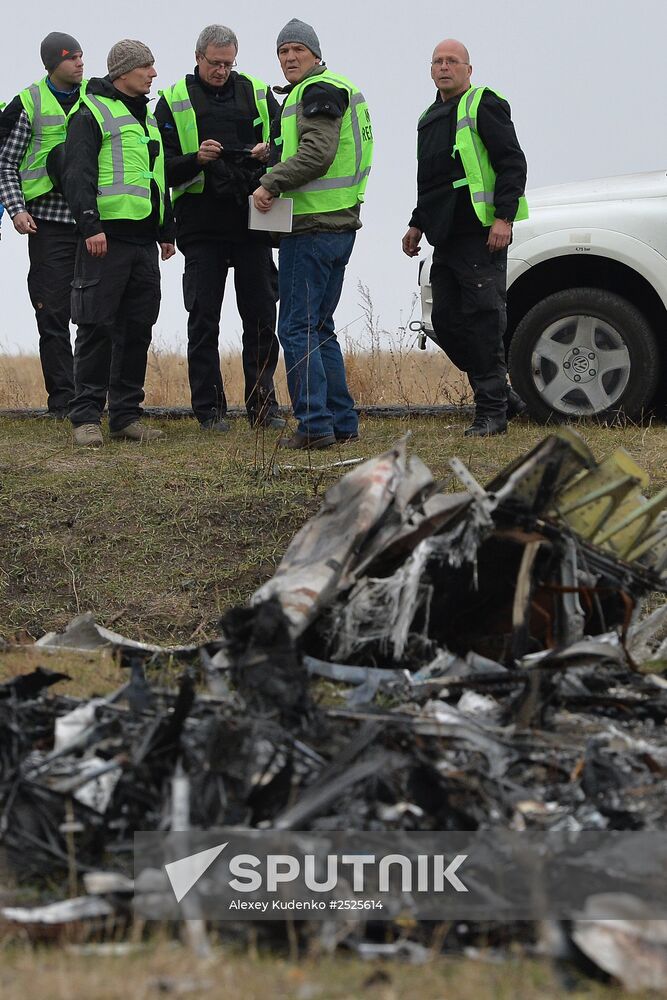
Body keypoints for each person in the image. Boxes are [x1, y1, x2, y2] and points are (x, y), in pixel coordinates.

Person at [156, 24, 284, 433]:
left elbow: (288, 145)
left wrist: (269, 152)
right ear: (198, 58)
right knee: (204, 318)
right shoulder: (173, 100)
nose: (223, 71)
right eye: (215, 63)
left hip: (254, 221)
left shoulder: (259, 93)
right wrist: (197, 159)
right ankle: (210, 412)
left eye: (229, 63)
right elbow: (160, 168)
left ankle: (264, 408)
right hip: (201, 224)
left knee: (262, 317)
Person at [252, 19, 373, 450]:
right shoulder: (335, 88)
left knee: (298, 327)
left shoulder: (316, 90)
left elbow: (319, 155)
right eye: (282, 51)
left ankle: (314, 425)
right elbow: (325, 150)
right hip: (338, 226)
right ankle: (342, 423)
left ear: (315, 54)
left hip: (312, 229)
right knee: (320, 327)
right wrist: (276, 153)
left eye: (297, 50)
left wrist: (270, 180)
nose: (288, 58)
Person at [402, 38, 528, 437]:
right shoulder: (428, 117)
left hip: (481, 233)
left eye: (452, 61)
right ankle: (505, 399)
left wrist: (503, 218)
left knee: (483, 320)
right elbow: (432, 182)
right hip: (444, 236)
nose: (444, 67)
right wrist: (416, 223)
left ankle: (491, 413)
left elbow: (512, 162)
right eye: (438, 61)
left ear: (468, 70)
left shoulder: (482, 104)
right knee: (446, 321)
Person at [61, 39, 175, 448]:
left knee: (137, 328)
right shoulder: (91, 111)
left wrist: (166, 231)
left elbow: (155, 180)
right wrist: (90, 225)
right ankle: (87, 416)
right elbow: (77, 174)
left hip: (143, 242)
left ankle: (126, 416)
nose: (153, 73)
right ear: (123, 71)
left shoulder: (145, 117)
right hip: (103, 240)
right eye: (147, 66)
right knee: (96, 327)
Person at [0, 33, 85, 417]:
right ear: (52, 64)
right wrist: (17, 210)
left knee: (97, 313)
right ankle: (62, 402)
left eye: (82, 57)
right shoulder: (28, 102)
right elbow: (5, 165)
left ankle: (91, 399)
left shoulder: (96, 100)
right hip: (47, 224)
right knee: (52, 312)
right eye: (71, 58)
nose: (80, 64)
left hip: (91, 222)